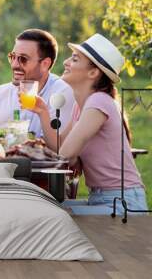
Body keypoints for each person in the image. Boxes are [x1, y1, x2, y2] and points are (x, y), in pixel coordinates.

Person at [29, 33, 148, 215]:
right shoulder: (81, 106)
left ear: (93, 73)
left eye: (75, 59)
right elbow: (60, 147)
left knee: (53, 215)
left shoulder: (98, 102)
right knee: (48, 210)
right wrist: (43, 113)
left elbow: (66, 153)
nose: (66, 62)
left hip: (124, 202)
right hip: (101, 198)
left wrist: (73, 157)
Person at [0, 29, 75, 137]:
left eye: (23, 59)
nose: (14, 65)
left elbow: (57, 146)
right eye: (12, 57)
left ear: (45, 64)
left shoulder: (62, 93)